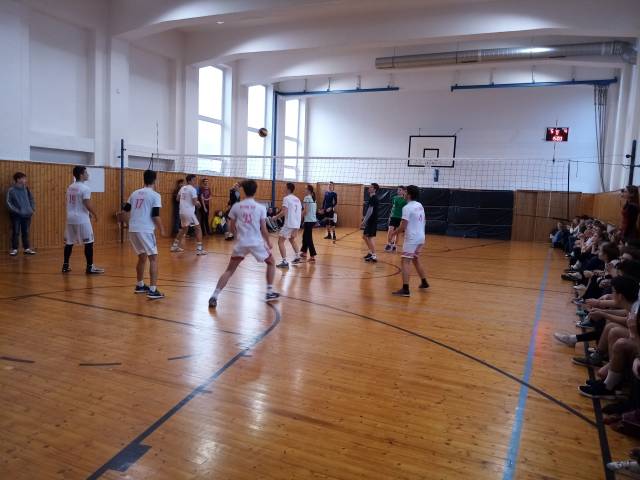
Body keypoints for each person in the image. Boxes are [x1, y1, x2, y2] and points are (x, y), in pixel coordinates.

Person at [209, 179, 279, 308]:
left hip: (242, 243)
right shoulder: (260, 208)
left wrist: (237, 237)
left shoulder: (236, 206)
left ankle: (214, 296)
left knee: (229, 270)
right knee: (271, 262)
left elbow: (231, 226)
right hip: (256, 242)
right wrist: (268, 241)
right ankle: (269, 291)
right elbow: (264, 229)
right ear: (255, 191)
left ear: (244, 191)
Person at [122, 169, 165, 299]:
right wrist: (162, 229)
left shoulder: (134, 193)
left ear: (144, 179)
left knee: (142, 257)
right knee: (153, 258)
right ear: (155, 180)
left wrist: (129, 224)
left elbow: (124, 212)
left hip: (133, 229)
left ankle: (140, 285)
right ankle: (153, 290)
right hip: (145, 230)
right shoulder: (155, 195)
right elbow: (155, 215)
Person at [62, 166, 104, 274]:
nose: (87, 174)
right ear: (81, 175)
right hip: (81, 219)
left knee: (69, 242)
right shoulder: (85, 188)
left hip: (70, 218)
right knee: (89, 242)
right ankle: (90, 267)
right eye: (86, 173)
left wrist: (87, 213)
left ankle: (65, 265)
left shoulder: (70, 187)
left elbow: (75, 202)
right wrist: (95, 214)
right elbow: (87, 203)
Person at [392, 185, 429, 296]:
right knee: (415, 259)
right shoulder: (419, 205)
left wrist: (393, 233)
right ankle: (424, 282)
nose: (403, 193)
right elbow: (424, 221)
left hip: (412, 238)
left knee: (405, 261)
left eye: (405, 192)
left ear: (409, 194)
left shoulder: (407, 208)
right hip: (421, 237)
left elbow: (403, 226)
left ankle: (405, 290)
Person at [170, 174, 207, 255]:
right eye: (194, 180)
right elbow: (194, 202)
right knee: (198, 228)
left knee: (184, 229)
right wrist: (198, 203)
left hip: (182, 212)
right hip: (189, 212)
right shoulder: (193, 189)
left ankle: (174, 246)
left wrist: (185, 201)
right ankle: (199, 249)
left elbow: (177, 199)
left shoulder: (182, 188)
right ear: (189, 181)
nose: (195, 181)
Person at [271, 182, 302, 268]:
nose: (283, 189)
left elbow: (284, 212)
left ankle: (284, 261)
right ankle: (297, 256)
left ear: (288, 189)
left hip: (289, 224)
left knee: (280, 241)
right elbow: (299, 212)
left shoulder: (286, 198)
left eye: (285, 187)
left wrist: (275, 217)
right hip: (296, 223)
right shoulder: (297, 199)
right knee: (292, 239)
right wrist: (298, 224)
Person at [6, 172, 36, 256]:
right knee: (16, 232)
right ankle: (14, 249)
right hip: (16, 216)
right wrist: (17, 211)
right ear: (18, 179)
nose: (25, 180)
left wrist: (32, 209)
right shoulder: (11, 190)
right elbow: (8, 202)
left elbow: (31, 199)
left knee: (26, 232)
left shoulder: (26, 189)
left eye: (25, 178)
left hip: (27, 214)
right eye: (23, 178)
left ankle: (27, 249)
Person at [385, 186, 407, 252]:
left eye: (400, 190)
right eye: (398, 190)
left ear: (404, 191)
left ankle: (395, 245)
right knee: (390, 230)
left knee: (397, 233)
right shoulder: (394, 198)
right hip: (393, 216)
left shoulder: (405, 199)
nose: (398, 191)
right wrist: (390, 216)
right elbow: (393, 207)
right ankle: (388, 244)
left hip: (401, 217)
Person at [362, 183, 380, 263]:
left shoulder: (374, 198)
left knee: (370, 237)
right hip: (371, 220)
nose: (369, 188)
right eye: (369, 187)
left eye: (371, 187)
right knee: (365, 236)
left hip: (372, 220)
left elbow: (370, 210)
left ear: (374, 189)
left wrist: (364, 220)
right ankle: (370, 252)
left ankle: (374, 255)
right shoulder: (372, 197)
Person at [300, 184, 318, 262]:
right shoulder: (313, 198)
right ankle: (304, 252)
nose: (304, 190)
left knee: (308, 238)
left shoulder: (307, 198)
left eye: (305, 189)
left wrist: (299, 218)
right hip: (311, 220)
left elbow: (305, 211)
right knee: (305, 236)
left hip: (309, 221)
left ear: (309, 190)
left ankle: (312, 256)